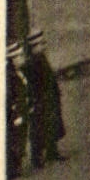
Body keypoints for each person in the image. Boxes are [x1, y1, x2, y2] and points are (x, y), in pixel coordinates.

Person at [25, 29, 66, 168]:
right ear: (34, 46)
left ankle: (51, 151)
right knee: (40, 128)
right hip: (41, 99)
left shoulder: (40, 58)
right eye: (41, 44)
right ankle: (38, 157)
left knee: (51, 124)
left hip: (48, 98)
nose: (43, 46)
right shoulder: (34, 62)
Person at [6, 40, 30, 180]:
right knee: (16, 140)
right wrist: (15, 114)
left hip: (22, 111)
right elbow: (11, 98)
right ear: (12, 60)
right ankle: (13, 168)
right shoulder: (10, 77)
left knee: (21, 138)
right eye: (19, 56)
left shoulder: (19, 72)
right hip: (17, 115)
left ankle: (17, 165)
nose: (22, 58)